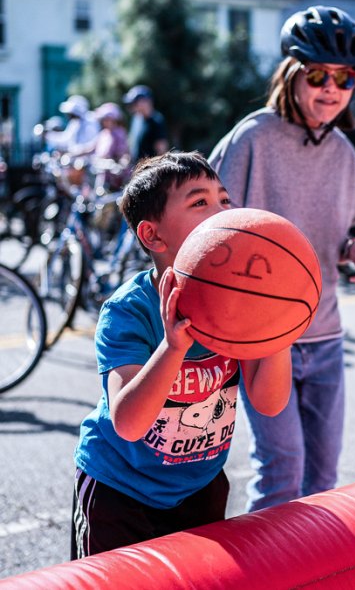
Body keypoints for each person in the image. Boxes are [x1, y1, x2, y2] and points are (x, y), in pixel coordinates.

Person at [71, 151, 292, 558]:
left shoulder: (235, 303)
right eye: (199, 202)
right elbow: (129, 423)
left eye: (224, 200)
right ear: (153, 236)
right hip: (120, 490)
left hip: (200, 485)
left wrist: (278, 329)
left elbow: (269, 402)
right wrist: (174, 348)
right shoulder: (128, 311)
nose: (221, 210)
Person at [209, 5, 355, 512]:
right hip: (265, 338)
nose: (331, 87)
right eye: (318, 74)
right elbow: (206, 228)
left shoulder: (344, 151)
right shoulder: (253, 138)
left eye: (345, 78)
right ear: (292, 74)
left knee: (323, 477)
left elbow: (348, 233)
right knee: (282, 470)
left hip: (326, 335)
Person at [90, 102, 131, 191]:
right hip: (101, 173)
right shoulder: (103, 134)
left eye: (108, 119)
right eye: (104, 119)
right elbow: (91, 148)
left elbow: (124, 154)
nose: (106, 122)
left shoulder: (119, 134)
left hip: (114, 179)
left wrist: (121, 164)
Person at [123, 85, 169, 163]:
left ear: (146, 101)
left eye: (135, 102)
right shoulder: (137, 119)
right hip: (137, 168)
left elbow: (161, 149)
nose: (132, 106)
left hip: (151, 169)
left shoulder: (156, 120)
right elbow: (132, 142)